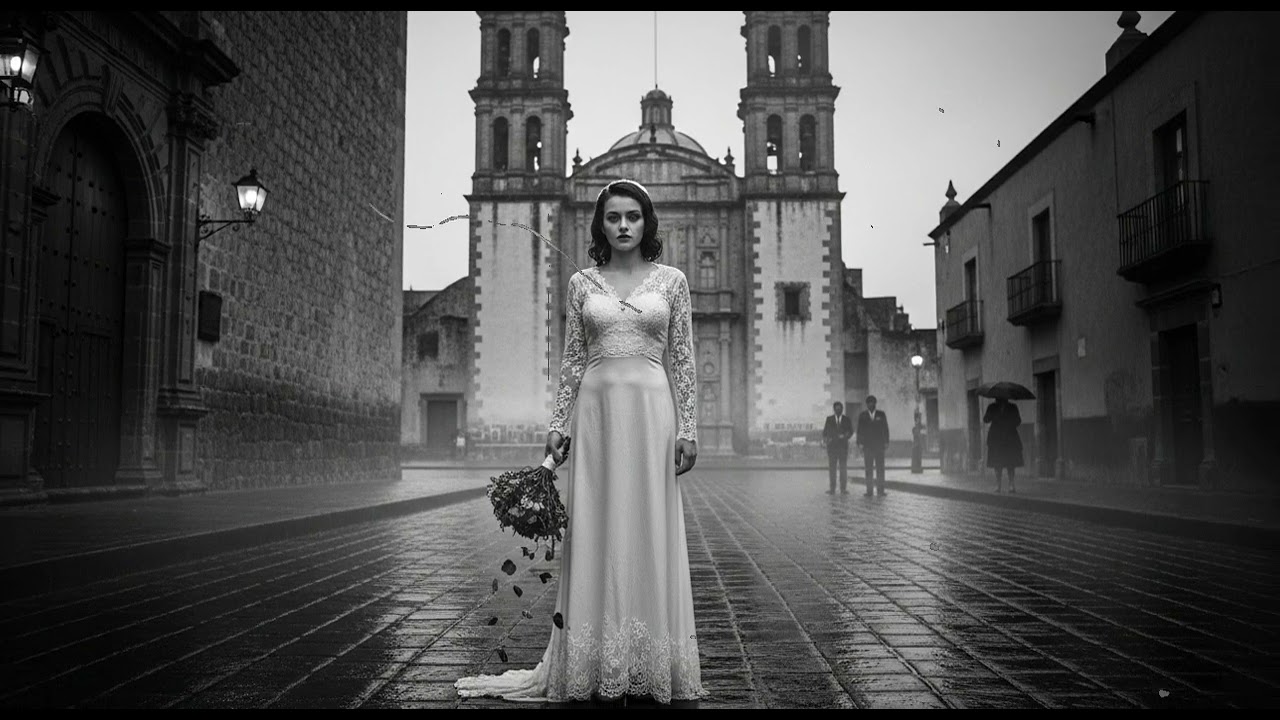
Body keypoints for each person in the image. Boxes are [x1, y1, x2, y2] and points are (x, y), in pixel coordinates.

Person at [455, 179, 705, 704]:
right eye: (613, 217)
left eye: (632, 216)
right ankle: (593, 658)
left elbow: (682, 359)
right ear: (600, 225)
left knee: (648, 523)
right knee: (597, 524)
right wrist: (558, 421)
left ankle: (650, 656)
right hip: (596, 415)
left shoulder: (674, 282)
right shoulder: (581, 283)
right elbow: (571, 360)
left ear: (647, 223)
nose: (622, 225)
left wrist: (687, 428)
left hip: (651, 412)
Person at [983, 397, 1024, 493]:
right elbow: (986, 419)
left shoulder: (1013, 407)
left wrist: (1010, 422)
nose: (1000, 399)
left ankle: (1011, 484)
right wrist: (992, 415)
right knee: (997, 463)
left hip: (1009, 438)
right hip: (996, 439)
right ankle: (998, 485)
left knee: (1011, 463)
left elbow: (1018, 421)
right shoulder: (992, 407)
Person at [857, 395, 889, 496]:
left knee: (880, 468)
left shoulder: (881, 414)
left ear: (875, 404)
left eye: (873, 402)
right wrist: (860, 443)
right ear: (867, 405)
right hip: (868, 447)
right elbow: (859, 430)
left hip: (879, 446)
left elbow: (885, 429)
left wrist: (886, 441)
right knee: (868, 469)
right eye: (869, 403)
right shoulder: (863, 415)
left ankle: (881, 490)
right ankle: (869, 491)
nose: (871, 404)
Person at [822, 402, 854, 494]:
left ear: (842, 409)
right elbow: (825, 432)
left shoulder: (846, 419)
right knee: (832, 469)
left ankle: (843, 489)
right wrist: (826, 439)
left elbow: (851, 431)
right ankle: (832, 489)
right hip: (832, 448)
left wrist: (844, 436)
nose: (838, 410)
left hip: (843, 448)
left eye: (840, 409)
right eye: (836, 409)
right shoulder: (829, 419)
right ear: (834, 409)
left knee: (843, 469)